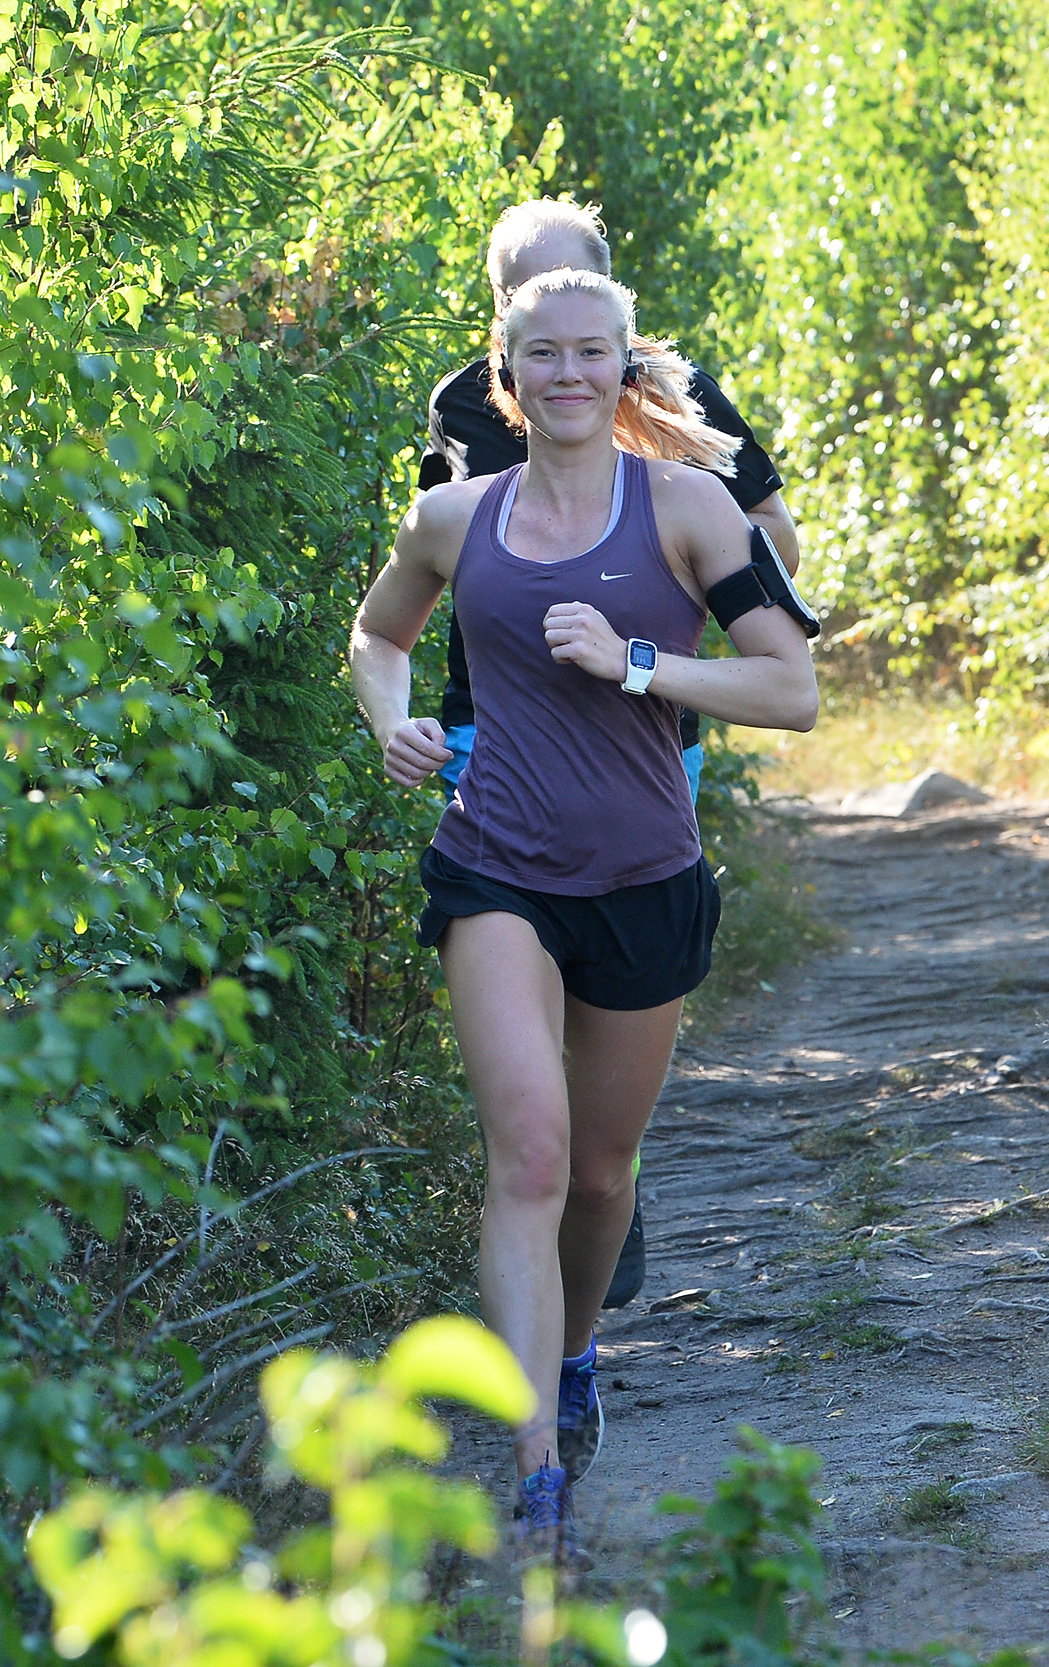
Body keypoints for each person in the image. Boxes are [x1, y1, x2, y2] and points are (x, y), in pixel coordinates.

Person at [350, 269, 818, 1560]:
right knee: (534, 1157)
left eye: (590, 354)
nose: (566, 375)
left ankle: (574, 1350)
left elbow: (794, 689)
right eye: (540, 356)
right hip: (495, 861)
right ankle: (535, 1460)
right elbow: (380, 635)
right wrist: (393, 721)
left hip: (641, 877)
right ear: (508, 375)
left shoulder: (686, 507)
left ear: (627, 370)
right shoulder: (454, 517)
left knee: (602, 1175)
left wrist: (643, 663)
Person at [414, 200, 804, 1313]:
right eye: (527, 300)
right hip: (489, 710)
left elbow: (771, 538)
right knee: (507, 929)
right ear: (502, 318)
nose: (563, 349)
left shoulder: (674, 397)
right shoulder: (461, 401)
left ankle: (603, 1173)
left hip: (645, 717)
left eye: (578, 296)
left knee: (613, 965)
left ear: (616, 310)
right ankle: (535, 1164)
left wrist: (673, 605)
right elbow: (430, 542)